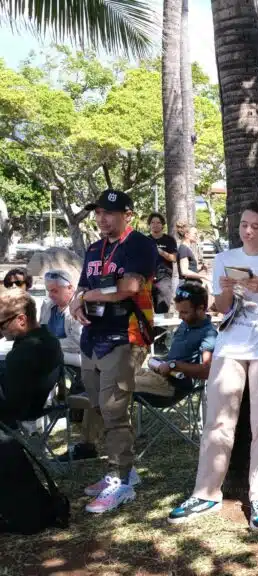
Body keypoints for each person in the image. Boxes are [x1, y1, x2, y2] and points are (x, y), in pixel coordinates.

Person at [167, 201, 258, 530]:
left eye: (255, 225)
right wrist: (227, 291)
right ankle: (206, 493)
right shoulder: (226, 259)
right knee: (217, 421)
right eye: (244, 224)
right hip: (231, 346)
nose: (248, 230)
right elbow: (221, 309)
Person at [68, 189, 157, 514]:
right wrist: (78, 302)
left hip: (127, 336)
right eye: (99, 212)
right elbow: (82, 287)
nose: (102, 218)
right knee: (98, 406)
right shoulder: (94, 248)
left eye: (109, 213)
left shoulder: (140, 245)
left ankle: (118, 481)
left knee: (113, 409)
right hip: (93, 338)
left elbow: (129, 288)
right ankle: (126, 471)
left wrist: (90, 297)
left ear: (127, 215)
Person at [39, 269, 99, 461]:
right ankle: (44, 410)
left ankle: (50, 410)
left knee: (47, 358)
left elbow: (81, 344)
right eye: (48, 290)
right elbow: (42, 331)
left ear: (71, 288)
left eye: (55, 290)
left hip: (84, 357)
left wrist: (53, 347)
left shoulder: (79, 308)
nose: (50, 295)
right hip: (61, 355)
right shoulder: (48, 306)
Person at [133, 283, 216, 397]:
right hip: (161, 375)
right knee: (116, 377)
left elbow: (207, 371)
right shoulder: (185, 323)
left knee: (119, 384)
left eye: (185, 312)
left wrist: (174, 365)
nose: (180, 317)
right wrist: (160, 362)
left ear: (201, 308)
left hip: (174, 386)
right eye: (179, 312)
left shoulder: (209, 333)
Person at [0, 289, 63, 425]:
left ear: (21, 320)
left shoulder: (25, 351)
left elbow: (12, 399)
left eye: (2, 325)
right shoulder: (49, 339)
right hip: (35, 405)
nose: (1, 331)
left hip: (17, 410)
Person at [148, 213, 178, 314]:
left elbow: (174, 258)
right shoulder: (145, 240)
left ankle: (161, 330)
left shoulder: (169, 240)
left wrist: (161, 252)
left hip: (164, 278)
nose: (155, 225)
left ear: (162, 225)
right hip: (148, 278)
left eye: (158, 222)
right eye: (152, 222)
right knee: (147, 311)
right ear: (149, 224)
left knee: (162, 310)